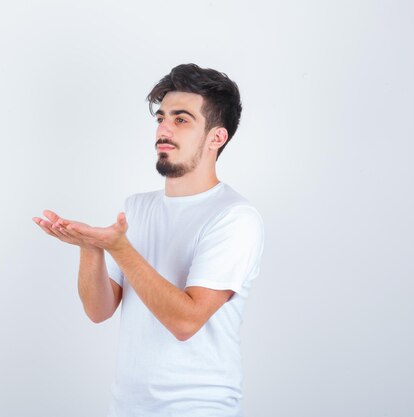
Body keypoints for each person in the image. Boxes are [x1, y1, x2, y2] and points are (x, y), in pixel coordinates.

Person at [33, 63, 265, 417]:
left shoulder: (234, 217)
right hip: (128, 407)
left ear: (217, 138)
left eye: (181, 119)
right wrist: (90, 248)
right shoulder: (137, 208)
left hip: (198, 409)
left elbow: (185, 322)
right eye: (161, 118)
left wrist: (120, 249)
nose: (164, 129)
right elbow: (99, 311)